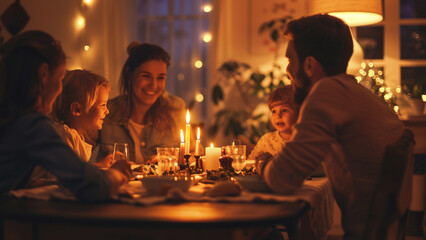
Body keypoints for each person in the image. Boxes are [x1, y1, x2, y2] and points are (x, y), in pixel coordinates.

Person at [257, 14, 405, 239]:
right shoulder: (359, 94)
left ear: (309, 65)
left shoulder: (326, 94)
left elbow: (282, 179)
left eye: (290, 60)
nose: (287, 70)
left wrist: (263, 161)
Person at [0, 30, 129, 202]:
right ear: (43, 74)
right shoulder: (31, 126)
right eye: (60, 78)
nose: (60, 89)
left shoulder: (12, 119)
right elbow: (92, 186)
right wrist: (115, 174)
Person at [94, 42, 186, 164]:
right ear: (129, 74)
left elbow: (193, 155)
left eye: (160, 78)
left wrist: (171, 160)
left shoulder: (175, 109)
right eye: (146, 76)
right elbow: (79, 159)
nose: (153, 85)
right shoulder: (106, 111)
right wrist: (101, 166)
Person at [50, 70, 112, 167]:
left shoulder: (75, 137)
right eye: (103, 105)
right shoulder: (66, 137)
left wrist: (99, 166)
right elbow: (67, 178)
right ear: (77, 109)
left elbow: (75, 171)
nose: (107, 111)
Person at [248, 85, 299, 160]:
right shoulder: (267, 140)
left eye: (284, 110)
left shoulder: (306, 140)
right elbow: (251, 162)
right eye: (274, 111)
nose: (278, 115)